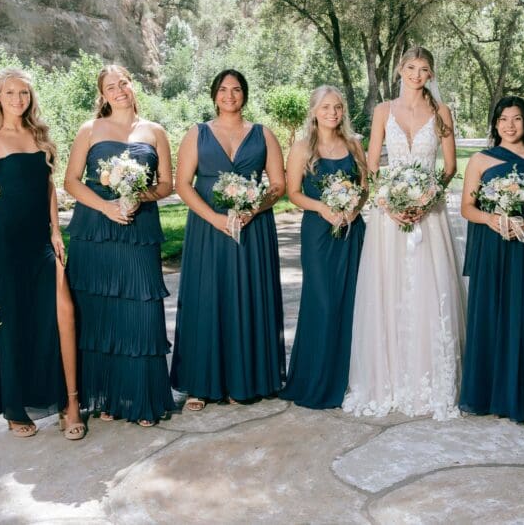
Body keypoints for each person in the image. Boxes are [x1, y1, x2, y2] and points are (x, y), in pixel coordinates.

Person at [342, 46, 466, 421]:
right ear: (399, 70)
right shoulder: (383, 111)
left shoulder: (441, 112)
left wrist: (428, 198)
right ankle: (389, 378)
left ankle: (432, 380)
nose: (416, 74)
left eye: (423, 69)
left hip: (429, 214)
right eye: (410, 67)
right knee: (390, 288)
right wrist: (391, 201)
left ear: (431, 75)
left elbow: (449, 165)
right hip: (389, 217)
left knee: (432, 289)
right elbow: (373, 162)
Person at [0, 68, 84, 440]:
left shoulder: (38, 135)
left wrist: (55, 229)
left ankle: (66, 401)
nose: (18, 99)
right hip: (2, 242)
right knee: (11, 322)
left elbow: (47, 186)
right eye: (11, 93)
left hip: (38, 242)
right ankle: (15, 407)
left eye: (24, 93)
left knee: (55, 314)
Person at [64, 65, 175, 426]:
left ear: (132, 85)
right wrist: (107, 206)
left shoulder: (155, 131)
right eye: (110, 86)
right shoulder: (89, 129)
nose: (118, 90)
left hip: (139, 229)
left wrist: (137, 196)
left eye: (123, 83)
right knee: (99, 315)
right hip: (95, 230)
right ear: (103, 94)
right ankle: (108, 398)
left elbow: (167, 185)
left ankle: (144, 400)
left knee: (142, 311)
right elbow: (71, 182)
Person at [170, 69, 287, 410]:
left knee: (250, 297)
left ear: (245, 95)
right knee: (207, 298)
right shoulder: (198, 133)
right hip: (209, 230)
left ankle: (246, 380)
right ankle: (199, 384)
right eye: (223, 89)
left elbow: (277, 185)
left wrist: (253, 209)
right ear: (214, 94)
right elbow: (182, 185)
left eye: (236, 90)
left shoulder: (264, 134)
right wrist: (216, 219)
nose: (230, 95)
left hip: (253, 231)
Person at [459, 96, 524, 427]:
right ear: (495, 123)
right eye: (503, 119)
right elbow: (467, 207)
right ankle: (491, 395)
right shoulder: (480, 160)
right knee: (491, 315)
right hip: (492, 246)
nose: (510, 125)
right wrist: (491, 220)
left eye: (517, 119)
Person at [280, 86, 367, 409]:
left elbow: (364, 187)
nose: (333, 113)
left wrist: (353, 210)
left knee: (353, 300)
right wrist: (323, 208)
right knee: (323, 301)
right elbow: (293, 193)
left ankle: (349, 378)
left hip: (352, 231)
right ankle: (315, 378)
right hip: (318, 231)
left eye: (338, 107)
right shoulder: (303, 148)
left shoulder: (354, 144)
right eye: (326, 107)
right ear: (314, 111)